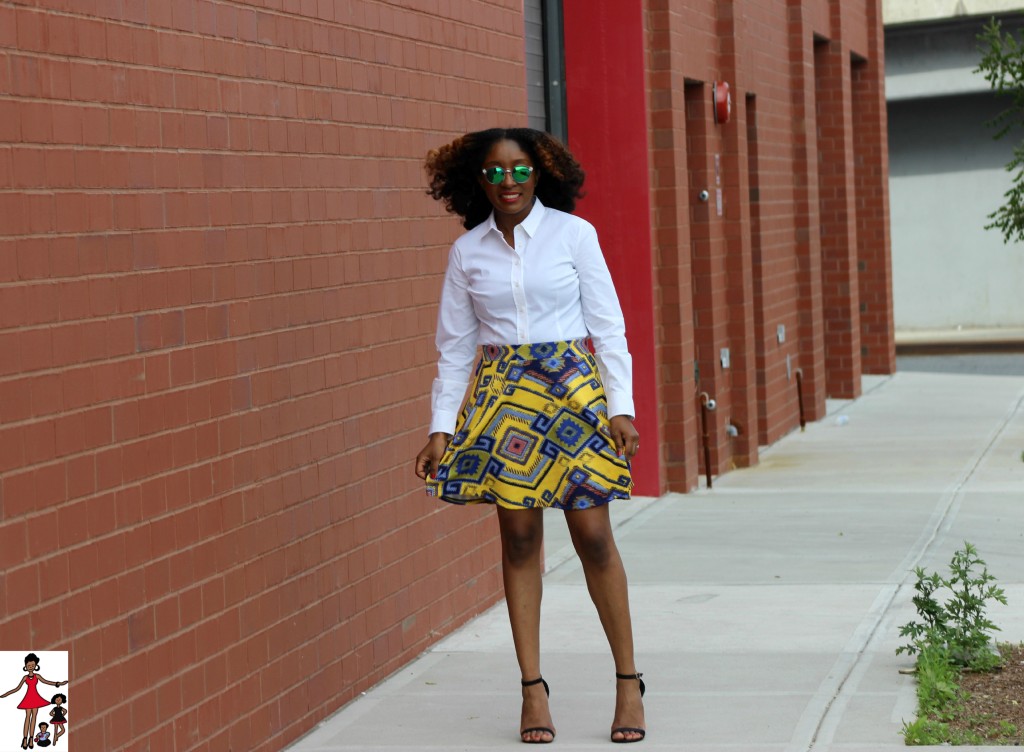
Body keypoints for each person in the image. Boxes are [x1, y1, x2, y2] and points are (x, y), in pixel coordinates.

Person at [414, 128, 646, 744]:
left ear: (541, 174)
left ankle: (628, 681)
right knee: (519, 537)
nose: (507, 182)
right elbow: (456, 346)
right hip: (503, 399)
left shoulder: (575, 235)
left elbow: (609, 327)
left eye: (518, 170)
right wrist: (441, 427)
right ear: (477, 180)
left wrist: (620, 408)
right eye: (493, 173)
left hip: (572, 392)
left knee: (593, 534)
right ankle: (532, 689)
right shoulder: (468, 252)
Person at [1, 653, 67, 750]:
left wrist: (58, 683)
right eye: (28, 666)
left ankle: (31, 739)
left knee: (34, 718)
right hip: (28, 698)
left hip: (35, 698)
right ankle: (24, 739)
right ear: (25, 667)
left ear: (36, 666)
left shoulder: (37, 676)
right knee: (27, 717)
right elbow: (17, 688)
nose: (30, 667)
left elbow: (47, 682)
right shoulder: (25, 678)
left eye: (32, 665)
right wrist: (6, 694)